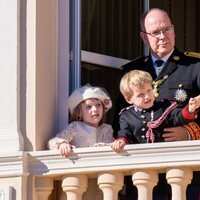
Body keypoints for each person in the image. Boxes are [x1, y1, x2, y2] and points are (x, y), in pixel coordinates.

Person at [113, 8, 200, 142]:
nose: (162, 36)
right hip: (140, 154)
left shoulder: (195, 66)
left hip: (183, 153)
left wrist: (190, 133)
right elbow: (120, 120)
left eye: (167, 29)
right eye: (155, 33)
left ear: (174, 30)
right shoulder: (131, 70)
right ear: (144, 37)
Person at [111, 70, 200, 153]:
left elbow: (179, 117)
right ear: (129, 99)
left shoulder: (165, 106)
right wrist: (120, 141)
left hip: (167, 154)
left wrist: (190, 109)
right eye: (140, 95)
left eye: (149, 91)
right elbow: (124, 133)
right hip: (140, 157)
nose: (147, 97)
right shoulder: (126, 115)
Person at [48, 84, 114, 157]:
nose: (95, 109)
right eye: (89, 106)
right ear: (79, 113)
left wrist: (102, 147)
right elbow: (52, 142)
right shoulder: (75, 127)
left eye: (98, 105)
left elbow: (111, 149)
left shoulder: (106, 129)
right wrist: (62, 144)